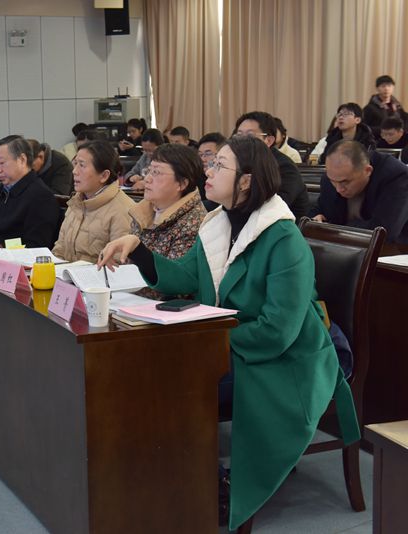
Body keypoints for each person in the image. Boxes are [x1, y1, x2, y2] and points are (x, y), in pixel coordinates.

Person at [97, 135, 359, 531]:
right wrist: (138, 248)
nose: (208, 170)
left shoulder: (283, 238)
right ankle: (169, 478)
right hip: (234, 346)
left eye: (219, 165)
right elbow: (185, 276)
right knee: (150, 372)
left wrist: (207, 344)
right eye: (211, 163)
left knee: (176, 384)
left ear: (247, 181)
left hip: (285, 360)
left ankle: (207, 483)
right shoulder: (218, 222)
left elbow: (277, 331)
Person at [126, 143, 208, 299]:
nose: (147, 179)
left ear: (182, 184)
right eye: (148, 171)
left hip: (157, 307)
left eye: (156, 173)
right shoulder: (144, 210)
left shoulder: (194, 222)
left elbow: (174, 287)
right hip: (130, 298)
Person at [52, 140, 134, 263]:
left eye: (82, 165)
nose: (74, 171)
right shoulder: (77, 202)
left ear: (104, 176)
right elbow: (59, 249)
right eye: (75, 164)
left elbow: (117, 265)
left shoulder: (124, 210)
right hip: (66, 274)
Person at [311, 140, 408, 244]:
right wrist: (316, 220)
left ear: (367, 171)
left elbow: (383, 232)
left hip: (395, 249)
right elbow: (318, 210)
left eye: (345, 182)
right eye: (333, 181)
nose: (338, 189)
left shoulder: (396, 176)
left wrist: (332, 227)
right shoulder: (331, 177)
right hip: (343, 247)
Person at [234, 111, 310, 219]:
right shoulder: (240, 162)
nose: (242, 141)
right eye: (239, 135)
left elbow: (273, 207)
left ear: (268, 140)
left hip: (280, 225)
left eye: (250, 135)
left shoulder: (285, 167)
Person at [196, 132, 225, 211]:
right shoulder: (196, 177)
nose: (202, 159)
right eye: (200, 155)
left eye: (208, 154)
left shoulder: (226, 178)